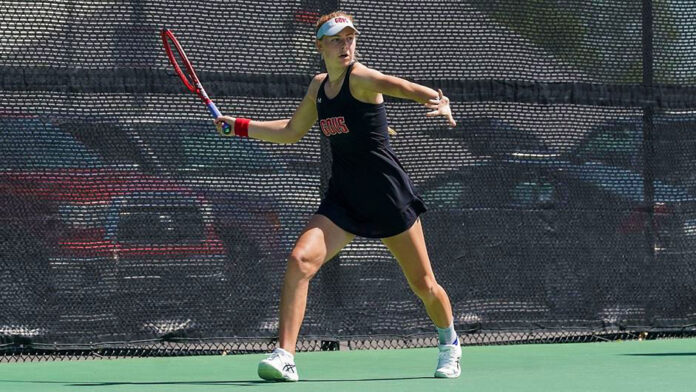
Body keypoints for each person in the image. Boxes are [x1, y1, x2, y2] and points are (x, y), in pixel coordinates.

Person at [214, 11, 461, 382]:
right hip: (342, 199)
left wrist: (436, 99)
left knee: (423, 284)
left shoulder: (360, 78)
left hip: (387, 196)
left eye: (349, 38)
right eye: (336, 39)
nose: (345, 45)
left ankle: (450, 344)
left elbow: (399, 86)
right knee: (300, 260)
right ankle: (285, 356)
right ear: (320, 46)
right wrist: (240, 127)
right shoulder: (318, 87)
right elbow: (292, 131)